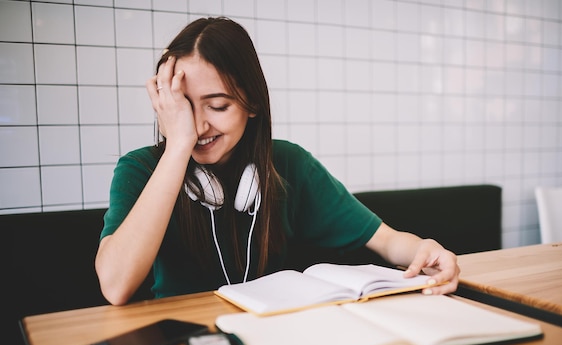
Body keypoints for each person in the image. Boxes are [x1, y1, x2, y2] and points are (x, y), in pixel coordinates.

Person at [95, 16, 460, 306]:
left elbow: (387, 241)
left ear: (251, 103)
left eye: (218, 105)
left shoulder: (288, 163)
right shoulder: (140, 169)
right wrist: (177, 146)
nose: (200, 125)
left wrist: (423, 250)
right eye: (184, 107)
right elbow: (115, 286)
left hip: (274, 334)